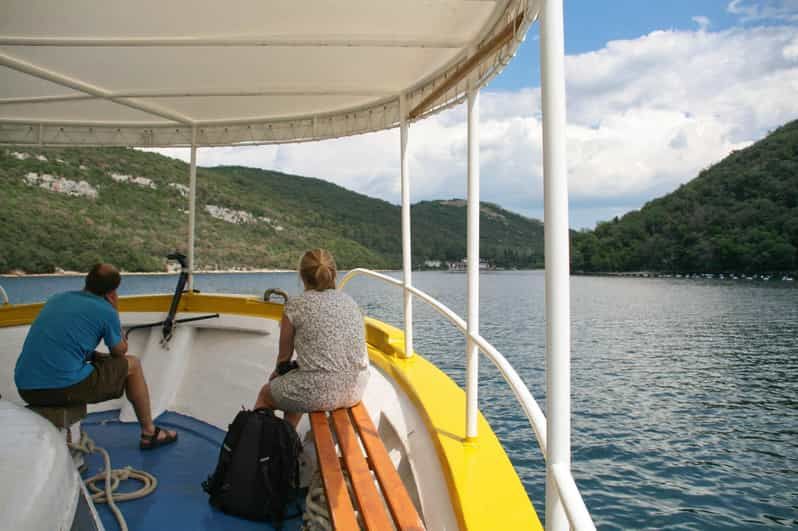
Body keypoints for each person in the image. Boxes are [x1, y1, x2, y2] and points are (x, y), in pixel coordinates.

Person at [14, 263, 178, 449]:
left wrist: (95, 356)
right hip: (61, 389)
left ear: (87, 280)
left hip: (26, 388)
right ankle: (149, 432)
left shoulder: (57, 299)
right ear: (112, 291)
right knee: (132, 364)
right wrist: (114, 310)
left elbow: (66, 345)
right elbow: (119, 352)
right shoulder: (106, 310)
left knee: (99, 359)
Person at [254, 249, 369, 427]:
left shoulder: (295, 305)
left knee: (266, 394)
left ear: (302, 276)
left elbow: (283, 360)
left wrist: (274, 378)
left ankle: (261, 442)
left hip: (319, 392)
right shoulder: (350, 302)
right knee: (298, 381)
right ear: (333, 274)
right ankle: (288, 438)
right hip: (355, 388)